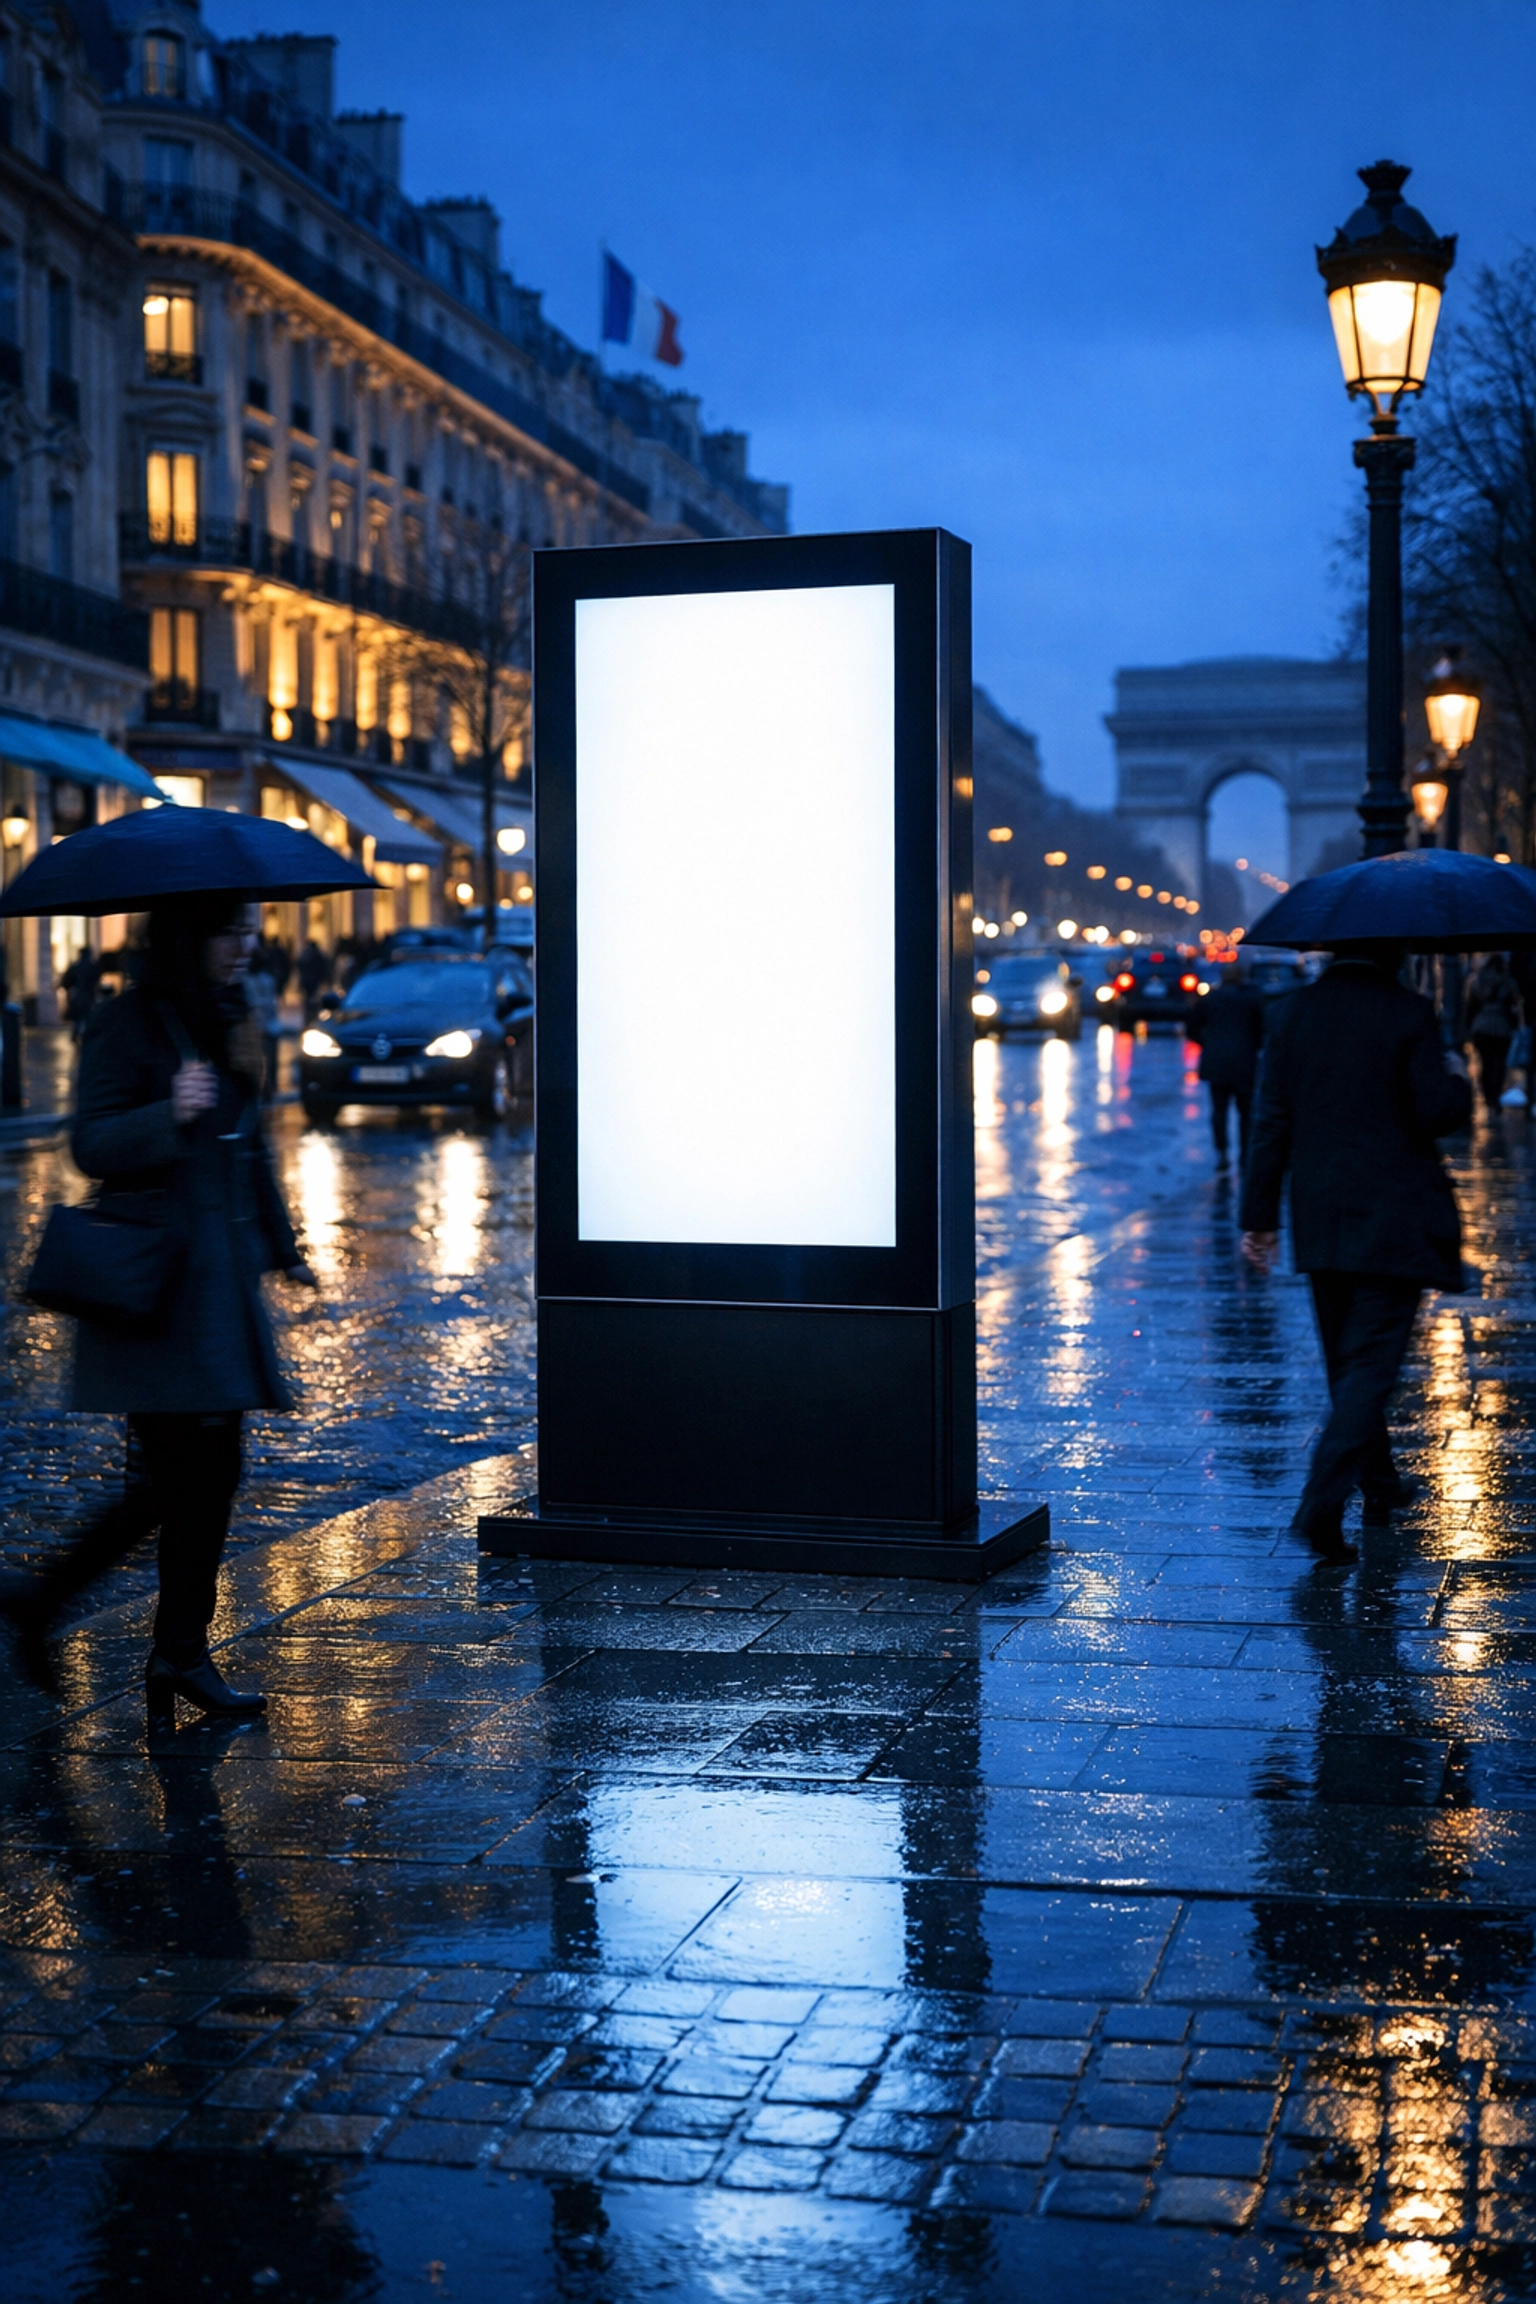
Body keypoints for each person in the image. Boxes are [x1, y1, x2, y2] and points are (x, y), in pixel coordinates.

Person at [0, 894, 316, 1718]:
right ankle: (72, 1611)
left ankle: (170, 1651)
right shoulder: (127, 1021)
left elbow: (246, 1152)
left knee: (204, 1480)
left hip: (220, 1291)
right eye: (230, 931)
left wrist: (284, 1248)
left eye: (250, 930)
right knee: (176, 1484)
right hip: (159, 1294)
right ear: (190, 936)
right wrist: (166, 1111)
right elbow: (90, 1142)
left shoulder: (231, 1016)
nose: (248, 945)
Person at [1240, 943, 1471, 1559]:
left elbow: (1270, 1123)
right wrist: (1457, 1075)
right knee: (1370, 1365)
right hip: (1394, 1216)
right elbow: (1438, 1113)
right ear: (1393, 955)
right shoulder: (1409, 1013)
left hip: (1320, 1216)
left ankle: (1380, 1481)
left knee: (1347, 1359)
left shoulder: (1290, 1014)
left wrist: (1259, 1219)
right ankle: (1322, 1502)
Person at [1187, 964, 1266, 1169]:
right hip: (1244, 1063)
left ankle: (1222, 1153)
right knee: (1246, 1113)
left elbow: (1192, 1027)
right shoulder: (1252, 999)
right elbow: (1263, 1030)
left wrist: (1209, 1044)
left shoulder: (1210, 999)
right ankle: (1245, 1155)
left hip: (1216, 1062)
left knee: (1219, 1111)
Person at [1465, 952, 1522, 1108]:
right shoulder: (1507, 981)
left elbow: (1471, 1007)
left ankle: (1487, 1094)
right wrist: (1515, 1025)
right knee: (1499, 1063)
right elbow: (1513, 1008)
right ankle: (1494, 1094)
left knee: (1485, 1062)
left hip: (1481, 1027)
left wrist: (1468, 1027)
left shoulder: (1477, 980)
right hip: (1501, 1027)